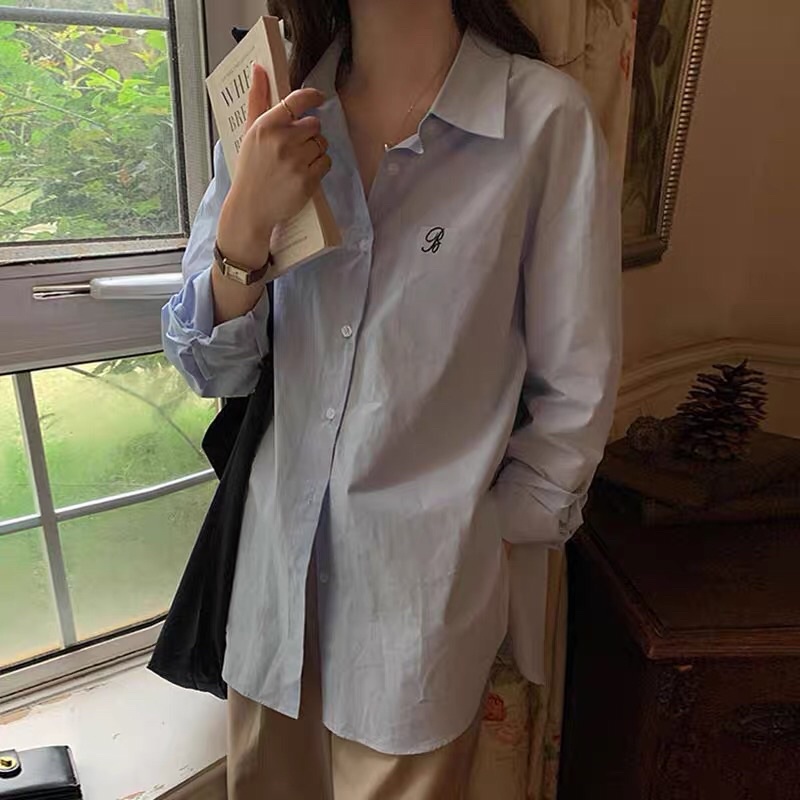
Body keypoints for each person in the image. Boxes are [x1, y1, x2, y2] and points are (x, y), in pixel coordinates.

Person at [162, 0, 621, 796]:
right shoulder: (275, 115)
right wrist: (247, 220)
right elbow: (213, 369)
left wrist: (473, 540)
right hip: (270, 601)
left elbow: (575, 389)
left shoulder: (544, 123)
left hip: (420, 621)